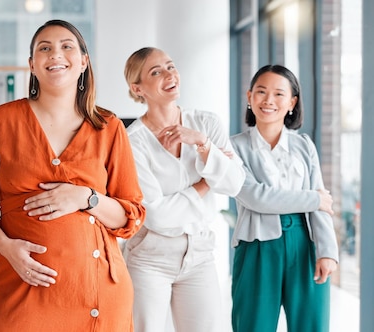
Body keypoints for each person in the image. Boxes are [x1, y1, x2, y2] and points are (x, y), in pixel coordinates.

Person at [0, 20, 146, 332]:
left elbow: (131, 216)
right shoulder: (1, 122)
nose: (55, 54)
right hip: (22, 289)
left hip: (97, 296)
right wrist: (7, 248)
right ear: (32, 65)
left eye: (66, 46)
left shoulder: (109, 127)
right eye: (44, 48)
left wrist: (86, 198)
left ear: (84, 62)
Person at [122, 47, 245, 332]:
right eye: (156, 72)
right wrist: (205, 183)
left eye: (170, 66)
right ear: (137, 88)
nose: (169, 74)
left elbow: (234, 183)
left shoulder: (206, 124)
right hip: (150, 258)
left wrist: (202, 144)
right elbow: (156, 216)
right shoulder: (133, 141)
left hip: (199, 254)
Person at [230, 64, 338, 332]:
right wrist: (313, 199)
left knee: (312, 326)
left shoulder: (304, 145)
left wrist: (327, 252)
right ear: (249, 97)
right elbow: (255, 198)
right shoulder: (233, 147)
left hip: (306, 245)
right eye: (261, 92)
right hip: (256, 247)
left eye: (279, 94)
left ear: (292, 102)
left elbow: (321, 199)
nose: (269, 100)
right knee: (253, 326)